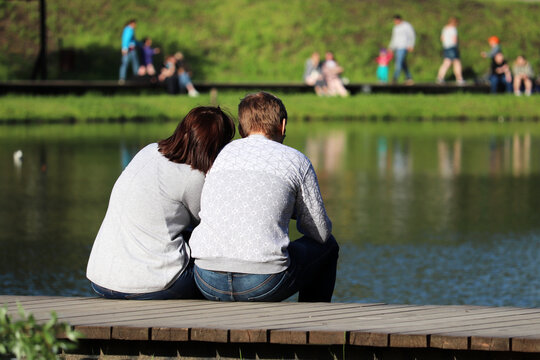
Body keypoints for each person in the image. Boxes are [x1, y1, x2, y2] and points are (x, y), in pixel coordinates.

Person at [190, 91, 339, 302]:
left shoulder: (220, 156)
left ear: (242, 128)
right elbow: (320, 233)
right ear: (283, 124)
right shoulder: (296, 161)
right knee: (328, 247)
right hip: (262, 283)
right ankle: (312, 322)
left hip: (207, 280)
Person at [86, 106, 236, 300]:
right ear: (216, 146)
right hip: (151, 285)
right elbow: (209, 225)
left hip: (101, 279)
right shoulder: (193, 177)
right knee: (215, 276)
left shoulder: (148, 151)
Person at [436, 17, 465, 85]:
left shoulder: (445, 28)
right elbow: (454, 39)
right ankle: (459, 79)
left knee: (446, 62)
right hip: (452, 47)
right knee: (457, 63)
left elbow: (442, 38)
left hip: (446, 47)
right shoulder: (453, 29)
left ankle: (440, 77)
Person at [388, 14, 415, 84]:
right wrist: (391, 47)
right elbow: (394, 38)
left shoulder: (406, 26)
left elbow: (411, 35)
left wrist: (411, 45)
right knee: (402, 63)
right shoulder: (395, 28)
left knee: (399, 62)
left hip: (404, 47)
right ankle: (409, 77)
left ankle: (395, 78)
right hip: (397, 47)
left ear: (399, 19)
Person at [119, 19, 140, 83]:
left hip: (130, 49)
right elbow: (126, 39)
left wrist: (140, 44)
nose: (135, 25)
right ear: (131, 23)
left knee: (132, 63)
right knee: (128, 64)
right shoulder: (129, 30)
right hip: (129, 49)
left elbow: (133, 41)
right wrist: (124, 48)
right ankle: (134, 78)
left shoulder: (129, 30)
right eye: (135, 24)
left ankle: (124, 78)